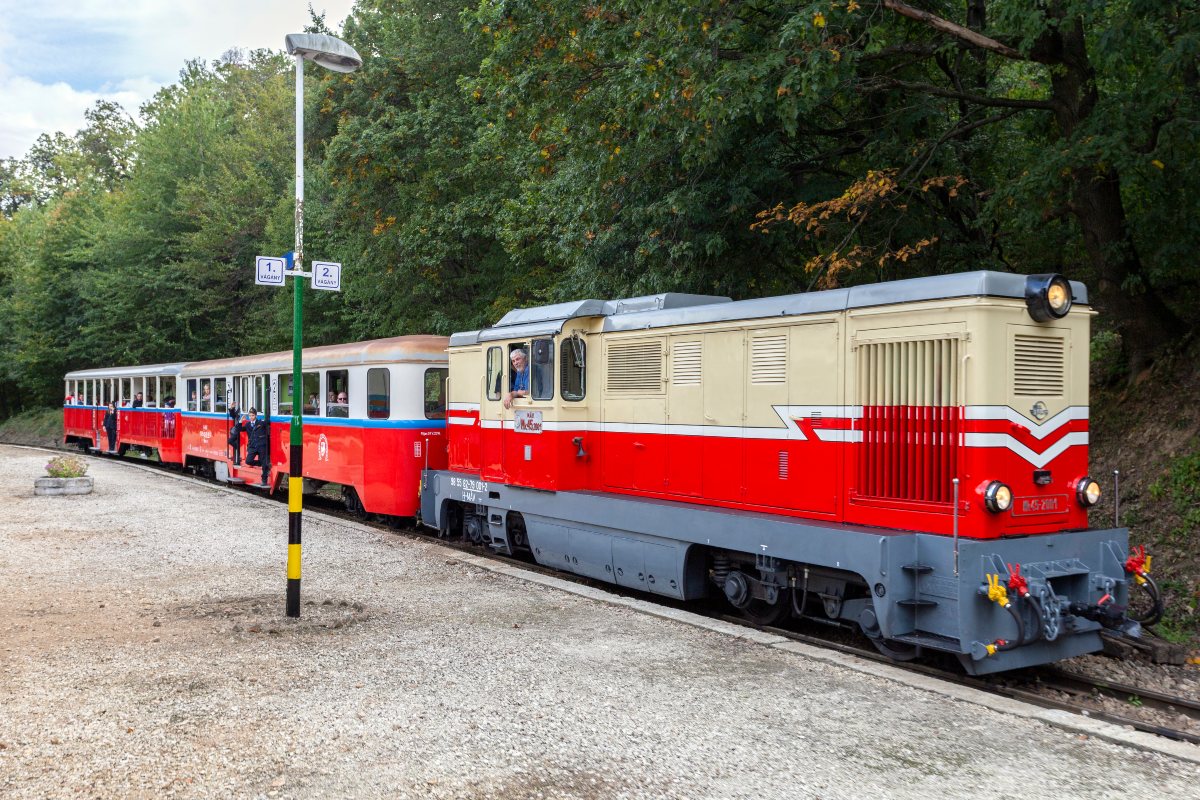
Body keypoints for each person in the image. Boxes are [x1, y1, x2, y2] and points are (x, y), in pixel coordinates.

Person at [236, 407, 271, 486]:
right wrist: (240, 421)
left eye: (252, 415)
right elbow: (239, 429)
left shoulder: (261, 423)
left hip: (262, 446)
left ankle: (264, 480)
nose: (251, 417)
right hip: (253, 447)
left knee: (264, 464)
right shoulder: (248, 424)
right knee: (248, 461)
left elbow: (269, 423)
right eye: (250, 415)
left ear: (255, 415)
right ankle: (263, 463)